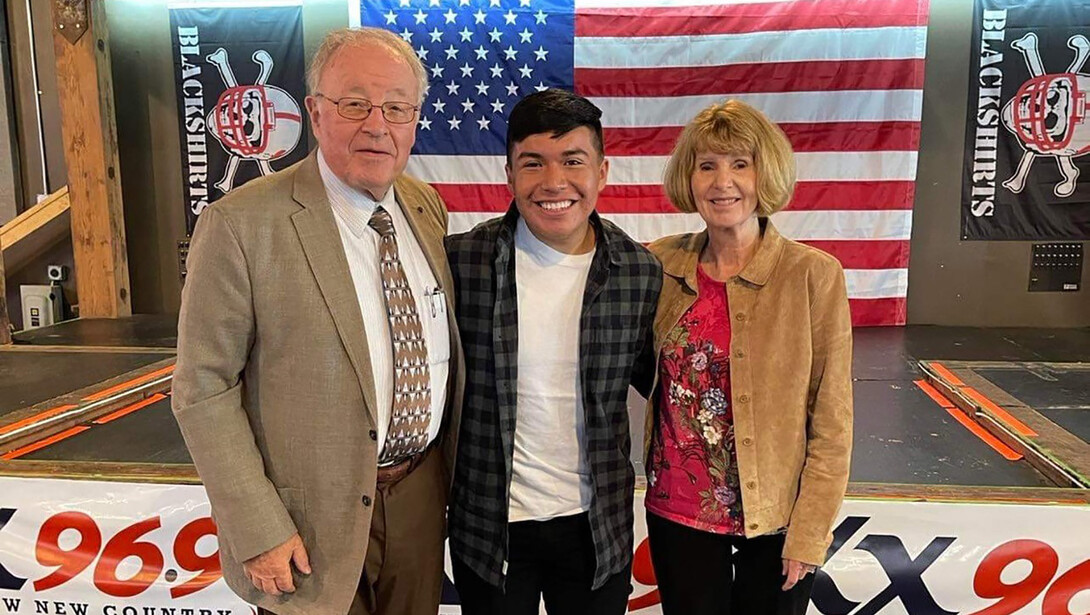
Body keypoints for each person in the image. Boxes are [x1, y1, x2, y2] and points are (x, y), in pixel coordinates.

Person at [172, 27, 462, 615]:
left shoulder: (425, 206)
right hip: (304, 522)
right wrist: (257, 527)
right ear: (315, 112)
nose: (376, 124)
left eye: (397, 107)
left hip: (420, 500)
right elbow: (203, 388)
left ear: (414, 119)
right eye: (354, 103)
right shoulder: (241, 224)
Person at [444, 88, 661, 615]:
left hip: (596, 530)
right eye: (533, 163)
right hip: (488, 529)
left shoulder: (639, 274)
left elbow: (661, 384)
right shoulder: (460, 264)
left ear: (602, 171)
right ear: (510, 174)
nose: (553, 182)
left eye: (572, 161)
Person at [643, 99, 853, 615]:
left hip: (775, 516)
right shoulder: (658, 263)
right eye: (707, 165)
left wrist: (809, 533)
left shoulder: (813, 274)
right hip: (679, 511)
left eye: (741, 164)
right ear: (688, 178)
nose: (723, 182)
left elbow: (832, 418)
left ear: (766, 174)